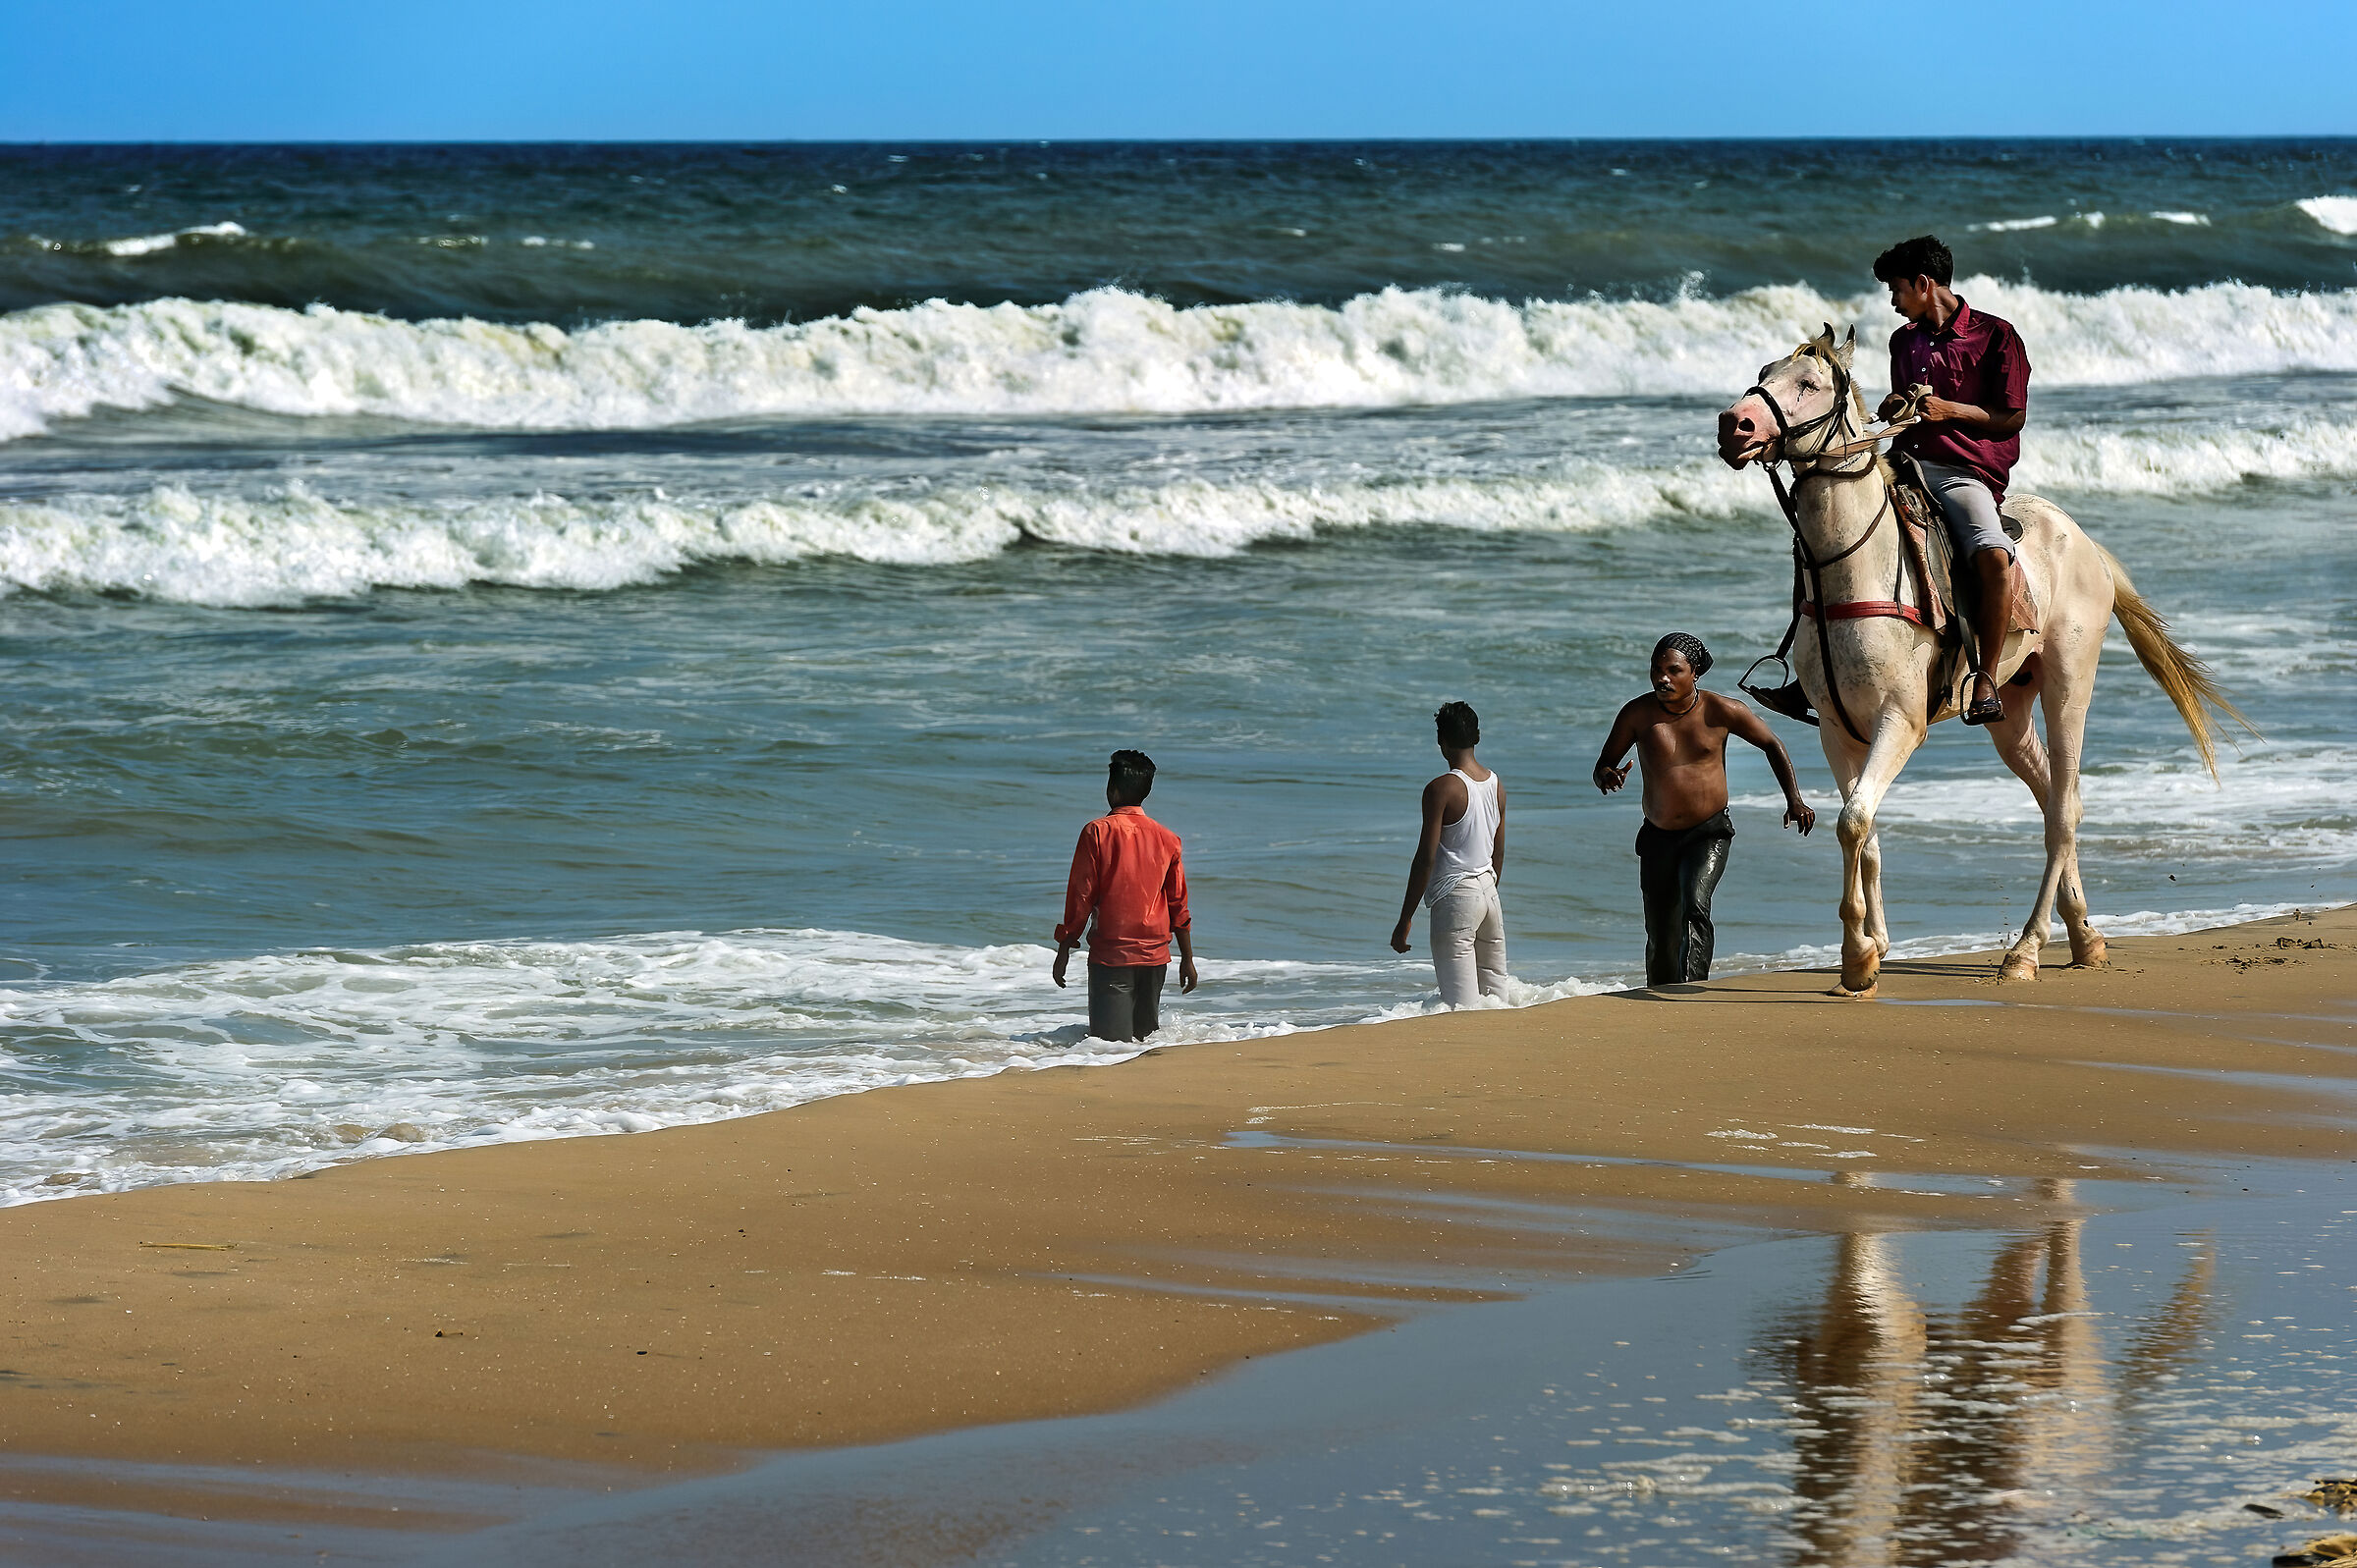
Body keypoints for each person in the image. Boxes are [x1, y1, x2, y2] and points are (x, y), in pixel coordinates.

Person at [1872, 234, 2033, 727]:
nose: (1893, 301)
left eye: (1897, 290)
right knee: (1829, 522)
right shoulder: (1904, 341)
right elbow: (1908, 403)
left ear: (1924, 284)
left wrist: (1949, 411)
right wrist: (1896, 407)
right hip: (1904, 462)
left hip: (1964, 471)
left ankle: (1984, 677)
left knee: (1991, 556)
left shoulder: (1997, 336)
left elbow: (2012, 417)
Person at [1592, 634, 1816, 987]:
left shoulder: (1722, 710)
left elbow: (1772, 744)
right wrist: (1608, 776)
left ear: (1694, 672)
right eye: (1656, 670)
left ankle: (1691, 990)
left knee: (1695, 906)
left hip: (1708, 832)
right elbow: (1604, 764)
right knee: (1660, 925)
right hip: (1657, 836)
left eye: (1673, 670)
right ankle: (1661, 992)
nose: (1662, 678)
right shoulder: (1637, 713)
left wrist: (1794, 799)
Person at [1052, 749, 1197, 1042]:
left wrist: (1065, 946)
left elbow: (1081, 896)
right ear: (1146, 791)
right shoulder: (1168, 837)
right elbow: (1178, 903)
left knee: (1110, 1048)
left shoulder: (1097, 832)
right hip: (1155, 958)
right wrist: (1187, 958)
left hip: (1112, 957)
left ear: (1112, 789)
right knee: (1144, 1044)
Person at [1389, 701, 1508, 1006]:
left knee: (1461, 1008)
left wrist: (1405, 918)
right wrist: (1490, 893)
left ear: (1441, 741)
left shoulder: (1440, 789)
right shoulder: (1496, 785)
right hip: (1489, 895)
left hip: (1456, 898)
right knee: (1497, 1003)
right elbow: (1499, 851)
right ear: (1477, 737)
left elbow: (1425, 858)